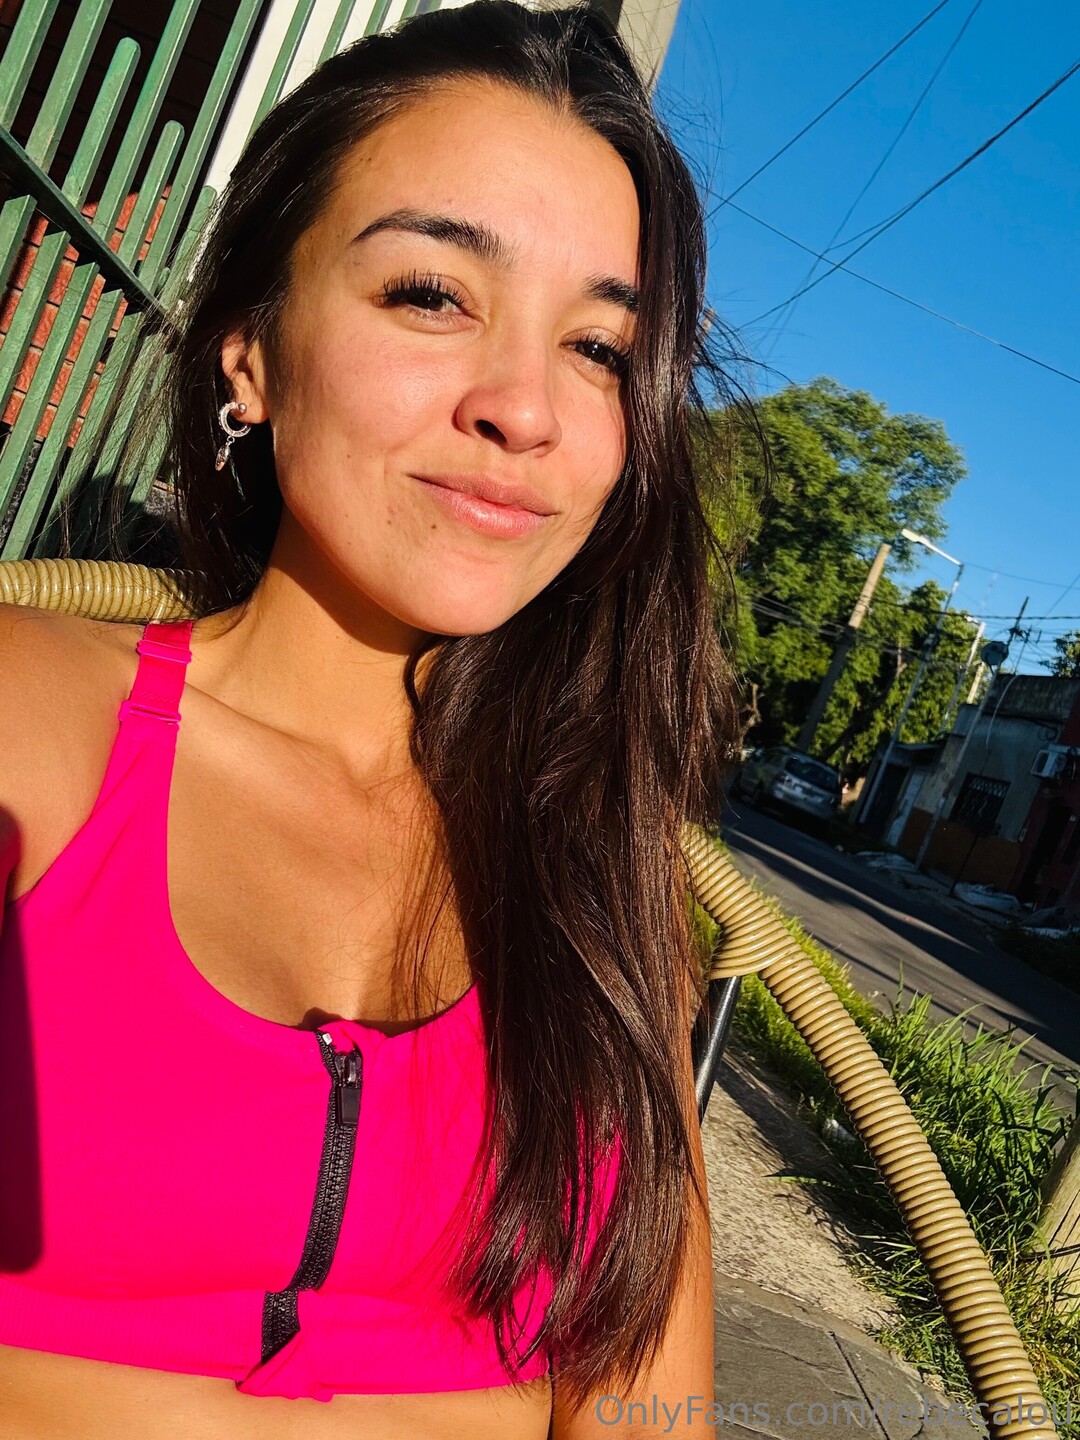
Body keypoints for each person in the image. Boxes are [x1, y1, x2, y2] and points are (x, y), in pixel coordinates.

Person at [0, 3, 746, 1436]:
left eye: (600, 348)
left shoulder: (605, 880)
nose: (525, 408)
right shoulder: (31, 733)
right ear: (250, 351)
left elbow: (652, 1407)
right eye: (431, 294)